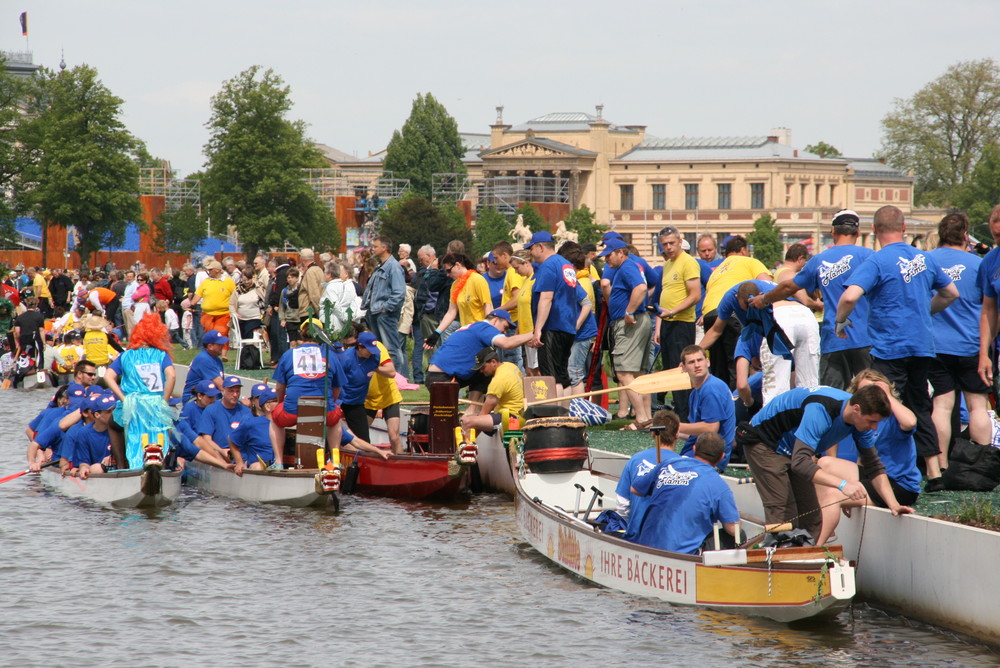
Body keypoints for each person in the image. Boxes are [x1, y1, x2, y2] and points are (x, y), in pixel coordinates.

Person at [836, 205, 959, 490]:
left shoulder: (878, 261)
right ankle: (934, 472)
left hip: (890, 347)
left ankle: (873, 468)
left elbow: (850, 295)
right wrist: (925, 311)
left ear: (875, 231)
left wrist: (840, 322)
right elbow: (951, 293)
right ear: (904, 229)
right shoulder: (924, 258)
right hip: (921, 346)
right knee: (920, 405)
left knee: (877, 404)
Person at [741, 384, 913, 544]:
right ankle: (780, 563)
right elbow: (800, 463)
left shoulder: (860, 422)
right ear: (856, 409)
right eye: (871, 421)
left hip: (793, 447)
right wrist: (843, 484)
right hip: (764, 442)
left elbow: (873, 466)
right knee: (785, 515)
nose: (874, 428)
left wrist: (894, 504)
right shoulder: (821, 410)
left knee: (813, 519)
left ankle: (807, 563)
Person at [752, 211, 874, 390]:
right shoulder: (869, 257)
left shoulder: (819, 260)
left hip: (833, 339)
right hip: (865, 338)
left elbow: (788, 287)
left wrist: (764, 299)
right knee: (872, 396)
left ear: (832, 231)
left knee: (831, 398)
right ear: (858, 232)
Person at [927, 212, 990, 486]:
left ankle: (939, 469)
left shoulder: (927, 260)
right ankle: (982, 466)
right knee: (978, 406)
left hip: (935, 345)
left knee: (941, 405)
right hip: (971, 345)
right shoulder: (978, 264)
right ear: (966, 235)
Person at [629, 432, 740, 554]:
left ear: (694, 449)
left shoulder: (668, 464)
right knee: (740, 535)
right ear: (722, 457)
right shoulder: (719, 486)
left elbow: (635, 489)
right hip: (682, 555)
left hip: (647, 546)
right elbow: (733, 528)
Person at [837, 370, 921, 509]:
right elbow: (863, 459)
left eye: (875, 391)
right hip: (873, 477)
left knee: (833, 495)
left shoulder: (894, 417)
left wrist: (886, 396)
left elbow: (910, 422)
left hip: (898, 485)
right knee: (825, 464)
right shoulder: (860, 419)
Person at [104, 313, 176, 469]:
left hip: (132, 404)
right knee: (162, 431)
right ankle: (162, 464)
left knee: (112, 424)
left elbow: (108, 376)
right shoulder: (161, 355)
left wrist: (123, 399)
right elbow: (171, 376)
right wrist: (164, 401)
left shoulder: (125, 355)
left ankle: (122, 464)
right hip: (156, 404)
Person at [700, 235, 771, 387]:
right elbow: (766, 283)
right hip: (731, 310)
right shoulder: (749, 261)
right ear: (743, 250)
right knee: (737, 364)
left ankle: (722, 404)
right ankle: (739, 404)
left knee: (719, 370)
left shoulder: (717, 270)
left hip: (709, 314)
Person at [271, 319, 346, 456]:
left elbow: (280, 388)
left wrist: (280, 402)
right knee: (335, 421)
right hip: (324, 410)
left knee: (275, 419)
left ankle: (278, 461)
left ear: (301, 334)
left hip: (293, 410)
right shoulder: (331, 355)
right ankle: (335, 458)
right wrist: (332, 402)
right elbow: (337, 388)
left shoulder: (288, 354)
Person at [599, 238, 652, 429]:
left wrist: (629, 311)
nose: (606, 260)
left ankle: (642, 419)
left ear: (620, 252)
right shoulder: (629, 266)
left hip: (630, 323)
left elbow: (642, 287)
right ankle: (645, 418)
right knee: (637, 373)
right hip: (639, 320)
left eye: (608, 255)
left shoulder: (627, 266)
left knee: (623, 372)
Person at [424, 310, 533, 403]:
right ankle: (472, 412)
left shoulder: (477, 326)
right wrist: (535, 333)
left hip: (442, 374)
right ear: (495, 320)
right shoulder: (485, 328)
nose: (504, 332)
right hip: (442, 377)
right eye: (505, 327)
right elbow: (507, 344)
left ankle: (472, 410)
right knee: (444, 417)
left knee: (487, 371)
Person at [655, 226, 701, 420]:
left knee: (682, 371)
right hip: (668, 323)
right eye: (664, 244)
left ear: (680, 242)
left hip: (681, 323)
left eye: (672, 243)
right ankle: (679, 413)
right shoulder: (667, 265)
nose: (668, 247)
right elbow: (664, 299)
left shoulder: (688, 262)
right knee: (671, 371)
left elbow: (695, 295)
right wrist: (659, 326)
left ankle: (687, 415)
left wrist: (672, 312)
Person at [526, 231, 580, 395]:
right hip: (567, 326)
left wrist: (538, 329)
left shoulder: (548, 265)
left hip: (552, 326)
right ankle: (565, 417)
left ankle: (555, 417)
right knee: (563, 376)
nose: (530, 253)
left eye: (531, 248)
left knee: (551, 376)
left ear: (540, 247)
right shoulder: (566, 265)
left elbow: (546, 298)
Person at [615, 409, 682, 540]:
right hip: (670, 540)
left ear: (652, 433)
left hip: (637, 537)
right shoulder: (685, 464)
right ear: (677, 433)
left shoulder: (635, 460)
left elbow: (622, 505)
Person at [675, 345, 736, 470]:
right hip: (699, 450)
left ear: (707, 362)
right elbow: (696, 434)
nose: (697, 365)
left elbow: (711, 428)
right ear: (683, 368)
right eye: (691, 362)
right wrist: (672, 432)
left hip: (711, 456)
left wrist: (674, 426)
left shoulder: (711, 388)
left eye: (700, 360)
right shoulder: (695, 393)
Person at [362, 235, 409, 379]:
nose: (373, 249)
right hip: (376, 313)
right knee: (380, 348)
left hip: (385, 314)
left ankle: (398, 380)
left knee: (392, 348)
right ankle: (385, 380)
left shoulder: (393, 267)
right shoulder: (380, 267)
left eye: (375, 246)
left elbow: (399, 292)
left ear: (385, 248)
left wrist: (386, 308)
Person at [337, 330, 394, 443]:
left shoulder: (375, 356)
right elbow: (337, 381)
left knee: (364, 439)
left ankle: (360, 459)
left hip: (357, 402)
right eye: (369, 350)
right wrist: (336, 403)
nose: (371, 353)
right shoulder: (346, 358)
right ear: (360, 347)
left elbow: (391, 373)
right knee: (338, 435)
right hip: (341, 399)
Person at [427, 252, 492, 344]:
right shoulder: (455, 285)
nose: (447, 275)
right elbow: (451, 312)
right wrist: (437, 333)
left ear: (457, 265)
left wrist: (488, 331)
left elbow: (488, 306)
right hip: (467, 333)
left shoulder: (478, 280)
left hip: (481, 332)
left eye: (449, 270)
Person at [459, 348, 524, 437]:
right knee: (475, 416)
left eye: (483, 367)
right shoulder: (510, 366)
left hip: (509, 418)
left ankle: (467, 447)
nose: (481, 371)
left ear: (493, 362)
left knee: (467, 421)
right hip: (519, 414)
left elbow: (483, 415)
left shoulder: (498, 380)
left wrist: (473, 432)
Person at [411, 245, 448, 384]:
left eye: (421, 259)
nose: (420, 262)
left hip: (432, 314)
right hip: (427, 314)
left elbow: (432, 292)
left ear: (430, 256)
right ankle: (433, 375)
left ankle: (437, 375)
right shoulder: (427, 271)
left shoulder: (436, 271)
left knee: (433, 346)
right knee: (429, 346)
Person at [195, 376, 252, 462]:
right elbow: (206, 439)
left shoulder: (246, 411)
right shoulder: (211, 410)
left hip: (242, 454)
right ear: (223, 391)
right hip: (220, 453)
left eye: (237, 391)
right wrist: (221, 451)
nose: (235, 395)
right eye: (231, 391)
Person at [190, 259, 236, 362]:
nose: (208, 272)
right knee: (209, 334)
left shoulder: (228, 281)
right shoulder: (206, 282)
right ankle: (211, 353)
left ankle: (224, 354)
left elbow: (235, 295)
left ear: (217, 270)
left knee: (222, 333)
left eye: (210, 270)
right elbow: (198, 294)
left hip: (223, 313)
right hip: (207, 314)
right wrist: (192, 303)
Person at [229, 387, 282, 475]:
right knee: (258, 466)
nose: (281, 404)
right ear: (267, 406)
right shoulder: (252, 423)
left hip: (280, 467)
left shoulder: (284, 424)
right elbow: (231, 439)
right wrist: (239, 462)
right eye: (276, 400)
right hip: (258, 469)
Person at [510, 250, 539, 375]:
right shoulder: (527, 280)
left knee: (537, 371)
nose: (516, 272)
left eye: (517, 268)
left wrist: (536, 332)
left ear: (526, 263)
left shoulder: (535, 280)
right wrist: (519, 330)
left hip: (533, 334)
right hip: (526, 333)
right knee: (530, 369)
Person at [182, 330, 226, 402]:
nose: (223, 346)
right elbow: (221, 386)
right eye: (219, 344)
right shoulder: (204, 359)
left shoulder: (217, 360)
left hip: (211, 399)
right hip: (196, 401)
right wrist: (240, 398)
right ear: (210, 346)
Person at [229, 272, 264, 341]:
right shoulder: (237, 290)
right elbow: (231, 304)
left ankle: (251, 349)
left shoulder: (257, 288)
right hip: (242, 319)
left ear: (252, 279)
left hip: (255, 318)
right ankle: (246, 350)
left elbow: (264, 298)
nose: (246, 282)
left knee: (249, 333)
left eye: (248, 280)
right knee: (243, 336)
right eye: (244, 280)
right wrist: (234, 313)